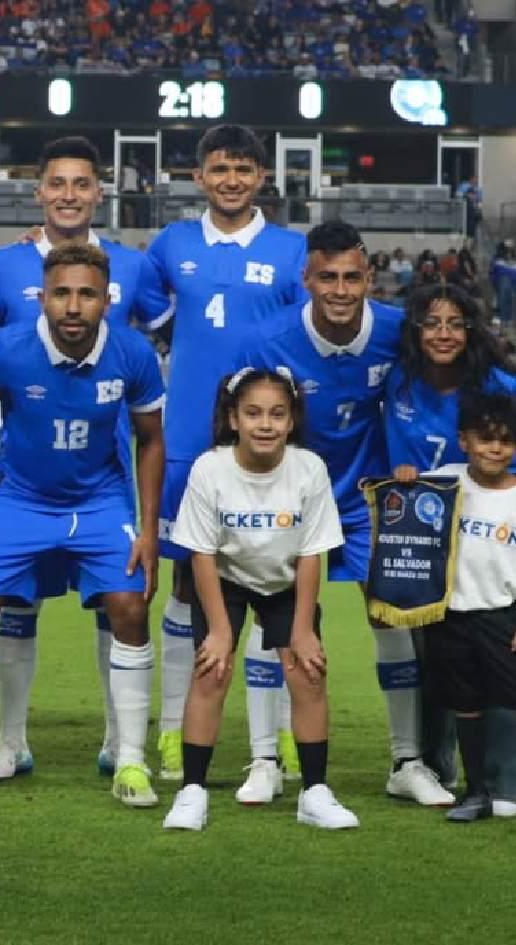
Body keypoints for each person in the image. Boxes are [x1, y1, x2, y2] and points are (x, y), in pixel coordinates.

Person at [0, 243, 165, 807]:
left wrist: (147, 531)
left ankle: (131, 760)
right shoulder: (8, 349)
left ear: (107, 300)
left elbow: (151, 440)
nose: (73, 306)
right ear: (42, 298)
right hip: (18, 500)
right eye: (61, 293)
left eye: (87, 294)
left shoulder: (133, 353)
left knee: (129, 607)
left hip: (98, 502)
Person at [0, 135, 168, 783]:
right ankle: (8, 742)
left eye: (82, 183)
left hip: (102, 482)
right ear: (39, 191)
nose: (69, 195)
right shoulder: (5, 266)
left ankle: (120, 742)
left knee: (119, 605)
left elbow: (173, 340)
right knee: (12, 606)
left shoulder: (133, 266)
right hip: (23, 481)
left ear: (100, 192)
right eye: (57, 183)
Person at [241, 220, 453, 806]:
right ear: (306, 279)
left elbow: (451, 375)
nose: (340, 290)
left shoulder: (396, 332)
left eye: (351, 278)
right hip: (290, 500)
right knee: (274, 620)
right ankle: (264, 759)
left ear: (369, 279)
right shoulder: (268, 340)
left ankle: (407, 761)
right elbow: (243, 423)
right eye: (327, 277)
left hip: (367, 501)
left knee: (392, 617)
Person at [150, 124, 308, 782]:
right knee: (187, 586)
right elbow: (135, 303)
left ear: (262, 176)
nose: (232, 179)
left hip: (269, 443)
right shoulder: (172, 244)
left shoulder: (292, 250)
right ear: (199, 177)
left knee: (277, 581)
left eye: (244, 168)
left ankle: (281, 737)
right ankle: (170, 729)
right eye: (219, 168)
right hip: (188, 442)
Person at [162, 368, 359, 831]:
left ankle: (314, 792)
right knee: (211, 671)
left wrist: (303, 629)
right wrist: (219, 631)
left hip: (286, 579)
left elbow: (312, 554)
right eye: (253, 414)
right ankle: (192, 792)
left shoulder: (309, 468)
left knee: (308, 673)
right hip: (224, 579)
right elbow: (201, 554)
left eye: (277, 414)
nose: (265, 424)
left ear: (291, 421)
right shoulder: (209, 468)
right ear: (233, 419)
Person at [384, 283, 516, 816]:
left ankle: (501, 781)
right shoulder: (399, 381)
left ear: (472, 330)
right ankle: (438, 768)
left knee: (501, 678)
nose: (444, 333)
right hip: (425, 549)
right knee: (437, 663)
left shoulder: (501, 387)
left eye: (456, 323)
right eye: (433, 323)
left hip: (497, 554)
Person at [418, 393, 516, 822]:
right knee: (465, 701)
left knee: (507, 697)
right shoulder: (443, 482)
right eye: (486, 439)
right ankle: (476, 791)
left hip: (502, 614)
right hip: (450, 616)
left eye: (506, 441)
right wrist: (405, 478)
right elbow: (404, 509)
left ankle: (506, 784)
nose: (495, 449)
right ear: (464, 441)